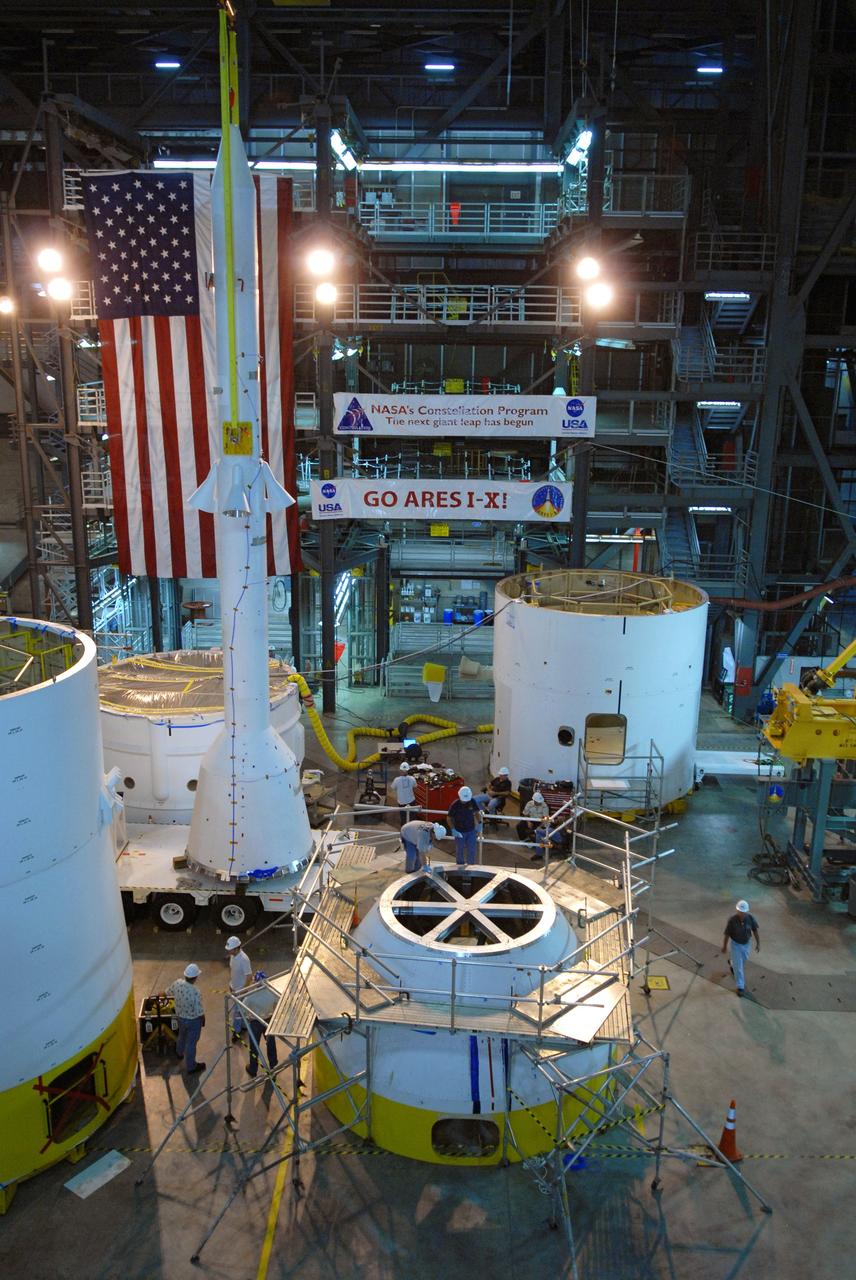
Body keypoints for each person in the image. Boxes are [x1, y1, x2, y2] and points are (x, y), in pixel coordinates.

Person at [166, 962, 206, 1074]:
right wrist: (203, 1019)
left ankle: (179, 1053)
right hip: (193, 1021)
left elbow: (167, 992)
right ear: (195, 977)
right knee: (191, 1043)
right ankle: (191, 1066)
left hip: (180, 1018)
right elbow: (199, 1011)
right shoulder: (195, 992)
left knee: (181, 1035)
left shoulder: (177, 983)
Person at [243, 971, 279, 1080]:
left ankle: (253, 1069)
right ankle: (273, 1066)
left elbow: (243, 1008)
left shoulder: (251, 995)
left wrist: (249, 1016)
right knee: (271, 1043)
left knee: (254, 1046)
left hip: (255, 1022)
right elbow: (277, 1004)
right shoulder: (271, 992)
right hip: (268, 1020)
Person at [720, 899, 760, 997]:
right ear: (737, 911)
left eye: (743, 912)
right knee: (739, 968)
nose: (741, 914)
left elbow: (755, 931)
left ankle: (732, 963)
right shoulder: (732, 920)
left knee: (743, 960)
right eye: (740, 912)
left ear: (746, 911)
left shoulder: (750, 918)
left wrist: (758, 943)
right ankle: (740, 987)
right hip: (736, 945)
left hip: (746, 944)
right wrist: (724, 946)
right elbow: (727, 934)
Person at [226, 936, 253, 1042]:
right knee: (240, 1010)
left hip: (241, 991)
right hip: (234, 988)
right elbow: (233, 970)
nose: (228, 951)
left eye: (230, 949)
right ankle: (244, 1025)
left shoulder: (244, 959)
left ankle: (236, 1032)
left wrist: (243, 991)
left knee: (236, 1012)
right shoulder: (233, 956)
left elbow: (249, 976)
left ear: (237, 948)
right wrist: (231, 984)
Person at [447, 785, 483, 866]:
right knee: (460, 850)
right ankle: (460, 867)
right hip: (459, 832)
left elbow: (477, 812)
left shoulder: (472, 801)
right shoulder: (455, 805)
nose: (465, 801)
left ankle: (471, 867)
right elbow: (449, 818)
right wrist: (453, 829)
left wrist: (480, 823)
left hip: (471, 831)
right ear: (459, 796)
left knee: (472, 850)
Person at [389, 761, 418, 828]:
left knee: (403, 818)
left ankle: (404, 831)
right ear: (408, 770)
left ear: (400, 770)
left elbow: (392, 788)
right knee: (412, 818)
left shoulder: (396, 780)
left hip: (402, 803)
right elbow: (415, 787)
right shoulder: (412, 778)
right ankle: (412, 831)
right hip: (411, 801)